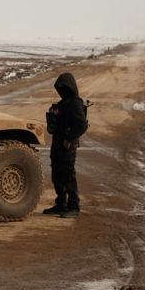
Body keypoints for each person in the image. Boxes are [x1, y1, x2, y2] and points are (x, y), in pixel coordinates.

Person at [43, 72, 87, 218]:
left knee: (68, 175)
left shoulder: (75, 102)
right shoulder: (62, 103)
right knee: (57, 174)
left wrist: (69, 138)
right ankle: (61, 204)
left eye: (64, 87)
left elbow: (81, 125)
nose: (61, 90)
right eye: (59, 87)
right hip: (57, 143)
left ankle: (74, 206)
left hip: (67, 144)